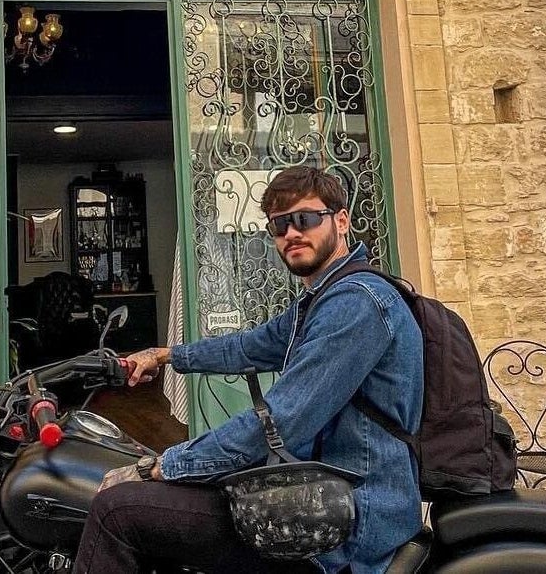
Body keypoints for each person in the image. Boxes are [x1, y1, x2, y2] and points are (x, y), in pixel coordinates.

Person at [71, 166, 424, 574]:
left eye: (305, 219)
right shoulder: (321, 299)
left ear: (341, 221)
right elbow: (248, 347)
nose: (292, 233)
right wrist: (164, 355)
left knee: (116, 510)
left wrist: (163, 464)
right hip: (316, 499)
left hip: (345, 522)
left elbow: (280, 421)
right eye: (279, 225)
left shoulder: (357, 304)